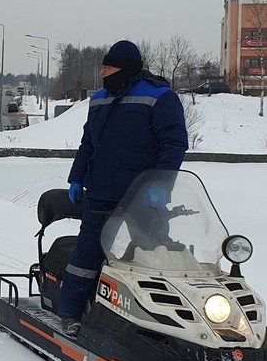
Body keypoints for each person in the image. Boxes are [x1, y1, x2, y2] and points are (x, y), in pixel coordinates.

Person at [54, 40, 188, 336]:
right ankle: (70, 313)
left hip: (143, 196)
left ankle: (161, 323)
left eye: (108, 67)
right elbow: (88, 143)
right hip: (101, 192)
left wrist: (161, 186)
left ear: (124, 69)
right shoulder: (99, 99)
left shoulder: (160, 97)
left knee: (153, 256)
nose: (102, 72)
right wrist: (77, 177)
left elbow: (174, 143)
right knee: (87, 256)